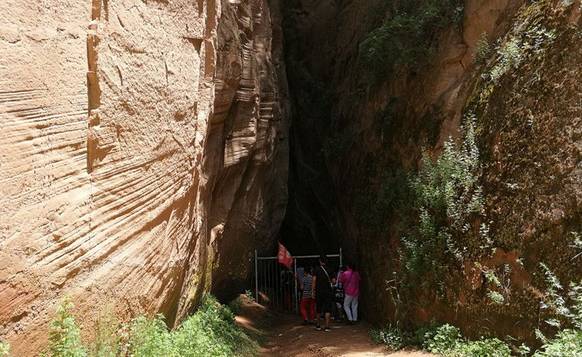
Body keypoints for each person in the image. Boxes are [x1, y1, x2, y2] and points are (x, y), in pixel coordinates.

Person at [313, 255, 333, 331]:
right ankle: (327, 326)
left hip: (319, 291)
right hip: (328, 291)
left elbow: (314, 280)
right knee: (327, 308)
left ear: (320, 261)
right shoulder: (330, 269)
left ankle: (318, 325)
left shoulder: (316, 269)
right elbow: (333, 281)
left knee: (318, 308)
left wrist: (313, 291)